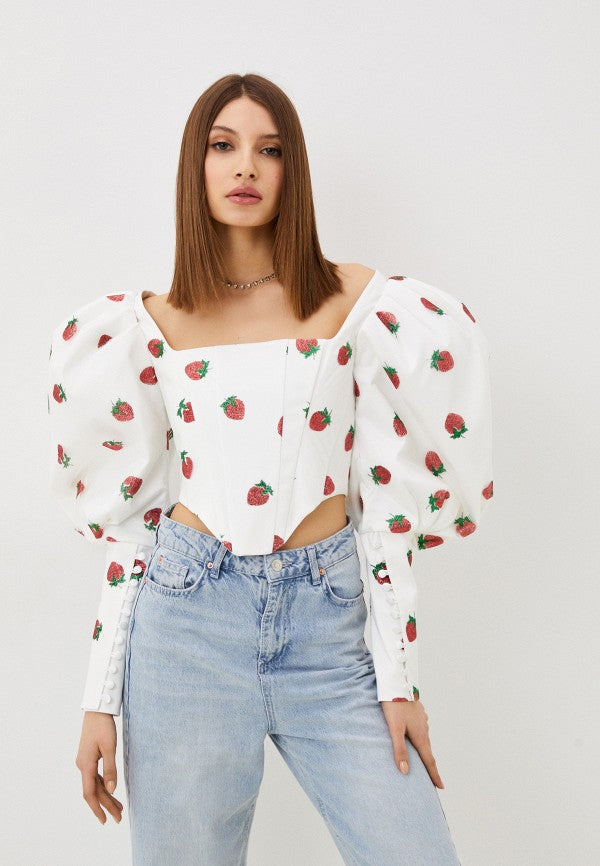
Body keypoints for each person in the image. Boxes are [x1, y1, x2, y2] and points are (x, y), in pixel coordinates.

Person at [47, 72, 494, 865]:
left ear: (294, 170)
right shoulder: (147, 324)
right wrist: (98, 700)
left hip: (330, 629)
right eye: (224, 146)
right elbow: (134, 529)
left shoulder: (361, 305)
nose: (246, 167)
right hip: (185, 628)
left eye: (271, 149)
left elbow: (387, 508)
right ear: (197, 164)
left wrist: (400, 681)